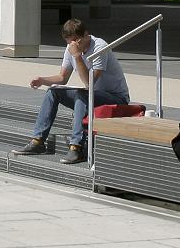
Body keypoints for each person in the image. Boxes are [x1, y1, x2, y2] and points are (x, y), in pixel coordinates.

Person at [12, 18, 131, 166]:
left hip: (116, 98)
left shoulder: (100, 47)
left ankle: (77, 147)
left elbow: (89, 82)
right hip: (92, 95)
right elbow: (62, 78)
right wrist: (42, 80)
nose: (73, 44)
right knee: (53, 92)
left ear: (86, 35)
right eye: (69, 42)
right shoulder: (71, 48)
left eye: (76, 40)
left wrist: (77, 56)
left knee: (82, 94)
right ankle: (38, 141)